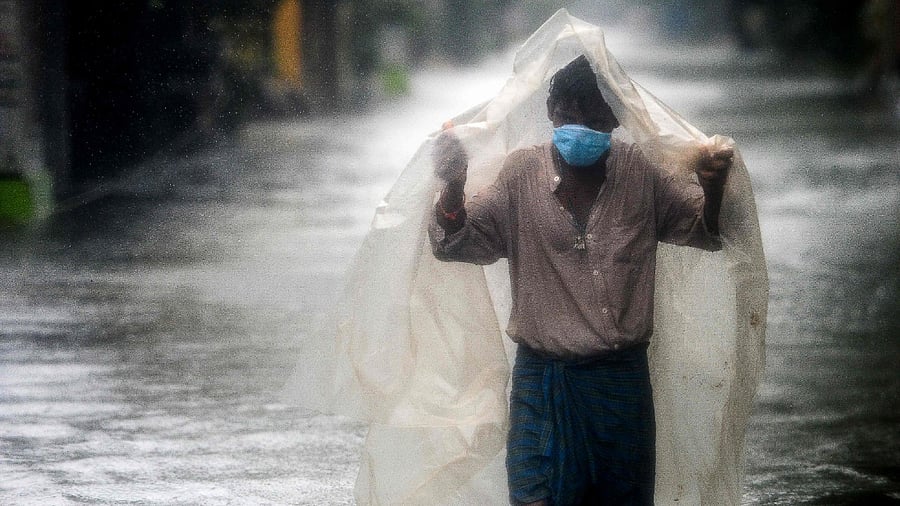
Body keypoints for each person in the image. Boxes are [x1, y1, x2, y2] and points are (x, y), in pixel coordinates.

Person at [429, 55, 734, 506]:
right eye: (569, 114)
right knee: (534, 496)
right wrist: (454, 187)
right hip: (542, 382)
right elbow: (454, 242)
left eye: (594, 117)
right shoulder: (520, 177)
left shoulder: (642, 175)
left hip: (620, 386)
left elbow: (704, 231)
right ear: (551, 111)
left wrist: (713, 188)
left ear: (615, 119)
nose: (580, 127)